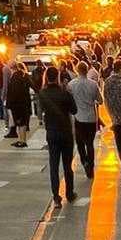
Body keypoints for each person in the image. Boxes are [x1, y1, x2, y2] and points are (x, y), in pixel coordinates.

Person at [36, 65, 77, 206]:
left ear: (46, 77)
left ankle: (56, 196)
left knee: (54, 165)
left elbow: (39, 114)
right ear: (58, 76)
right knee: (67, 165)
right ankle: (69, 193)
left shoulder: (42, 93)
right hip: (65, 131)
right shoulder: (64, 93)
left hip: (52, 132)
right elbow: (74, 110)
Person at [68, 60, 102, 179]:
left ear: (77, 70)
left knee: (80, 143)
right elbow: (100, 100)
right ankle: (91, 167)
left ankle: (84, 161)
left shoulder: (71, 85)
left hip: (78, 118)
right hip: (91, 118)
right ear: (87, 70)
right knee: (89, 143)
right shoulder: (93, 84)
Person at [6, 59, 33, 150]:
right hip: (24, 102)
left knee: (21, 122)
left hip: (18, 103)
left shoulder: (15, 77)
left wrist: (9, 103)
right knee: (22, 122)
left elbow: (14, 92)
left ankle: (23, 141)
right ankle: (21, 139)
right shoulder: (23, 74)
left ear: (11, 67)